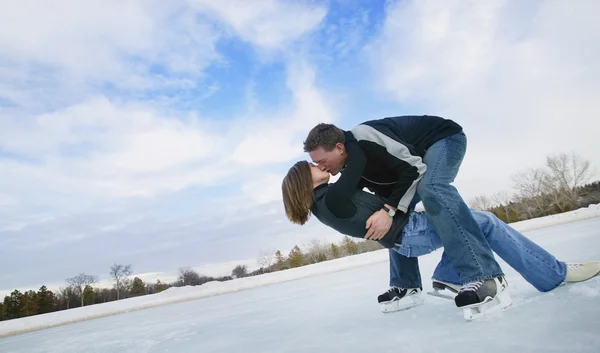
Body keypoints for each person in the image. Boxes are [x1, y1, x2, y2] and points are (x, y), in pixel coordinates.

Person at [281, 160, 600, 319]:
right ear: (303, 181)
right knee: (483, 222)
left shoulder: (323, 203)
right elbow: (361, 166)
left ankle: (446, 277)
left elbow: (377, 201)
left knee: (460, 217)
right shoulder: (331, 197)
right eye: (312, 165)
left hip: (403, 238)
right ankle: (555, 274)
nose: (319, 164)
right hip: (411, 233)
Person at [302, 115, 506, 310]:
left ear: (339, 148)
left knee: (431, 188)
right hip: (410, 163)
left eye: (321, 161)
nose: (321, 166)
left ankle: (482, 275)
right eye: (316, 164)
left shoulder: (364, 136)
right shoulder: (350, 164)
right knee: (396, 203)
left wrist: (388, 210)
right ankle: (407, 284)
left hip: (442, 140)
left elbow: (414, 168)